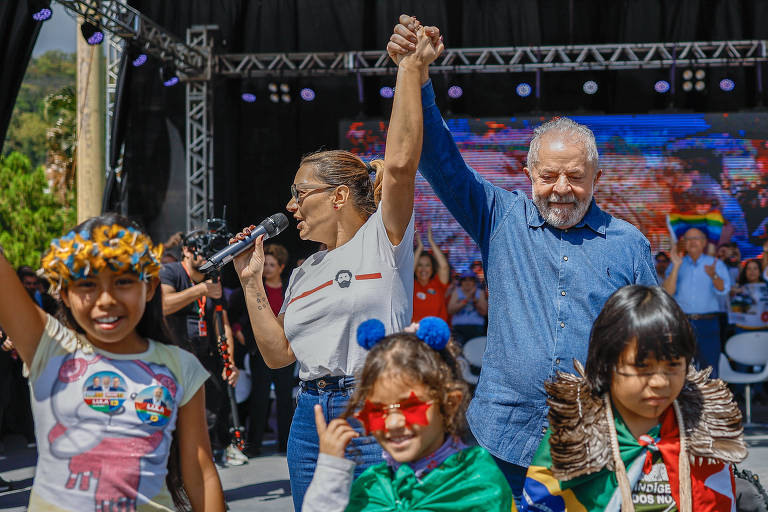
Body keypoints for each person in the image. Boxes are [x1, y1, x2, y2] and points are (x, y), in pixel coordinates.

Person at [387, 15, 658, 504]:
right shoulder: (500, 217)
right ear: (529, 173)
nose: (561, 189)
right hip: (503, 436)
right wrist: (418, 78)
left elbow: (653, 343)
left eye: (575, 177)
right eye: (548, 175)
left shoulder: (629, 244)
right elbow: (440, 162)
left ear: (597, 178)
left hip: (592, 441)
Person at [231, 28, 439, 510]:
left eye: (300, 193)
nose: (291, 205)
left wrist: (408, 69)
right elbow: (279, 355)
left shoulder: (382, 240)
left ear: (340, 196)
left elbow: (401, 166)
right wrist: (250, 282)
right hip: (310, 417)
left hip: (374, 401)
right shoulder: (305, 271)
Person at [0, 213, 225, 511]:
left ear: (149, 287)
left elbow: (200, 471)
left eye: (122, 281)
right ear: (64, 293)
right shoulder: (48, 348)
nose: (105, 299)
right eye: (87, 285)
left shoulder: (181, 366)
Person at [522, 285, 747, 511]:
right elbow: (541, 502)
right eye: (642, 367)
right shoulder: (576, 432)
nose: (660, 382)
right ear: (606, 365)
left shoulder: (704, 428)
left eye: (672, 366)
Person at [302, 316, 513, 511]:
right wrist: (331, 472)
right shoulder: (371, 488)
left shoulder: (477, 483)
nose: (393, 423)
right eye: (377, 410)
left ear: (449, 404)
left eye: (411, 406)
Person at [160, 232, 241, 466]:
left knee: (210, 416)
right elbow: (164, 305)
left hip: (205, 358)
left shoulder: (212, 280)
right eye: (200, 250)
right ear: (186, 250)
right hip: (173, 358)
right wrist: (201, 290)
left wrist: (230, 363)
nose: (206, 256)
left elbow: (223, 326)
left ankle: (205, 465)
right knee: (172, 419)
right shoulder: (171, 272)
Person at [228, 242, 296, 457]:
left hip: (287, 349)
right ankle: (254, 445)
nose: (266, 268)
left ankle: (285, 444)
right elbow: (232, 312)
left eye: (272, 265)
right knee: (260, 397)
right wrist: (239, 331)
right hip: (260, 350)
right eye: (265, 264)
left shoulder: (290, 288)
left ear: (282, 267)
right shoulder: (255, 287)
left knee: (285, 398)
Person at [663, 227, 730, 377]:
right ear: (683, 243)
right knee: (680, 368)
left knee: (710, 369)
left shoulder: (715, 263)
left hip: (708, 323)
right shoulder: (676, 263)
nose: (692, 242)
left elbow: (724, 290)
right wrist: (676, 266)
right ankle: (684, 400)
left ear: (704, 242)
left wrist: (713, 276)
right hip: (682, 323)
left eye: (697, 238)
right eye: (688, 239)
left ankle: (710, 401)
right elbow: (667, 293)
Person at [413, 223, 450, 322]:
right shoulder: (410, 285)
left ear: (432, 268)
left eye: (427, 265)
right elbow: (408, 271)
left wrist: (431, 242)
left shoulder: (438, 284)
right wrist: (420, 248)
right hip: (414, 335)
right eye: (420, 265)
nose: (423, 269)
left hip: (436, 334)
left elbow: (444, 267)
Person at [447, 269, 487, 345]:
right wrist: (467, 299)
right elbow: (450, 310)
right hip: (459, 329)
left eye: (470, 279)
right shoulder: (457, 292)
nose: (467, 282)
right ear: (461, 282)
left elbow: (484, 312)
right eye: (464, 280)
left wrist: (475, 301)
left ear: (474, 282)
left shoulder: (480, 292)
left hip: (476, 328)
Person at [729, 258, 768, 333]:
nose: (752, 271)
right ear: (745, 272)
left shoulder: (766, 286)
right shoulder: (737, 288)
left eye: (755, 268)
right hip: (742, 329)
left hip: (763, 329)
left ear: (760, 271)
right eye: (749, 269)